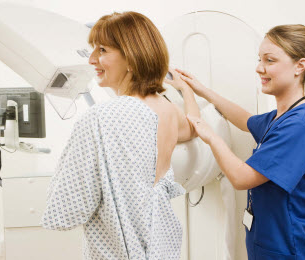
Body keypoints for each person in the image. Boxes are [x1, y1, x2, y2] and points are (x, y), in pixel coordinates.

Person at [41, 11, 199, 259]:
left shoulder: (100, 119)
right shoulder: (168, 110)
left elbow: (63, 213)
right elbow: (193, 126)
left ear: (132, 59)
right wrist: (187, 90)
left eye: (102, 50)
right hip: (161, 248)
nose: (91, 59)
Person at [178, 24, 305, 259]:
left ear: (300, 66)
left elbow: (242, 177)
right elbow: (246, 120)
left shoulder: (302, 126)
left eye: (269, 60)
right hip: (266, 244)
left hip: (288, 251)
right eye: (259, 59)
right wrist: (202, 91)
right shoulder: (282, 117)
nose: (259, 68)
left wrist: (209, 135)